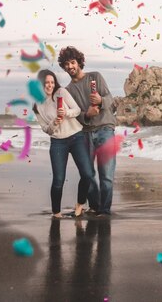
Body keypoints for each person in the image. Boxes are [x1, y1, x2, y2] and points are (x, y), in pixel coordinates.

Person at [58, 46, 117, 216]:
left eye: (72, 62)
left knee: (106, 174)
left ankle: (104, 211)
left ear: (79, 62)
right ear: (64, 67)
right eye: (66, 64)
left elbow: (111, 101)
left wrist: (100, 100)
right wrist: (86, 115)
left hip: (105, 129)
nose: (70, 66)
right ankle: (96, 207)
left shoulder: (95, 77)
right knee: (88, 174)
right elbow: (73, 116)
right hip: (84, 133)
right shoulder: (67, 91)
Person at [33, 69, 95, 219]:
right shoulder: (37, 106)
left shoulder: (61, 92)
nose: (50, 85)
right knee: (58, 180)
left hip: (76, 137)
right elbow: (46, 129)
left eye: (52, 82)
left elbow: (77, 109)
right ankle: (56, 213)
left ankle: (80, 204)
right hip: (58, 142)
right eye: (47, 82)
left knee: (87, 174)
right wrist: (55, 122)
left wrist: (66, 113)